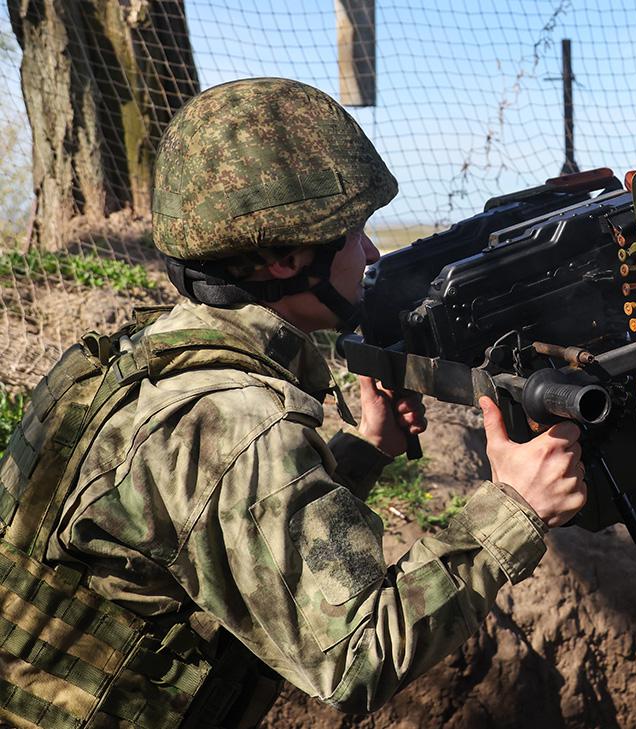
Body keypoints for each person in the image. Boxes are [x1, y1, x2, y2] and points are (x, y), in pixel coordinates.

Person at [0, 78, 586, 728]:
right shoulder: (239, 419)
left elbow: (208, 527)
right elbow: (357, 656)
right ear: (285, 257)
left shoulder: (138, 358)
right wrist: (512, 510)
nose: (371, 252)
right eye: (354, 231)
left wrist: (364, 452)